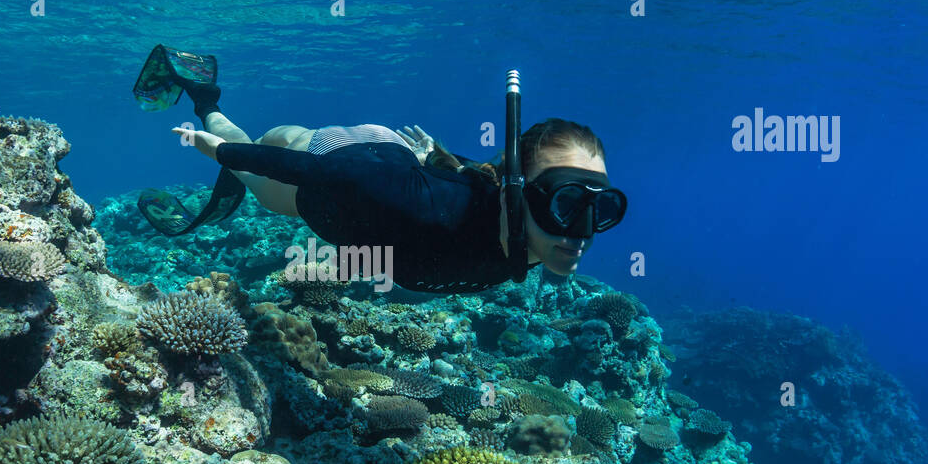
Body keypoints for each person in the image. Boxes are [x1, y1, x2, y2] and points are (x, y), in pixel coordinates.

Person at [140, 49, 627, 294]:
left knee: (270, 165)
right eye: (566, 203)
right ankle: (207, 99)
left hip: (400, 170)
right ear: (523, 190)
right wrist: (220, 153)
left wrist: (440, 158)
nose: (581, 232)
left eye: (598, 208)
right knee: (274, 156)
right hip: (353, 161)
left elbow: (485, 179)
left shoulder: (539, 237)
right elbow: (306, 169)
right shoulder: (413, 204)